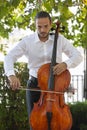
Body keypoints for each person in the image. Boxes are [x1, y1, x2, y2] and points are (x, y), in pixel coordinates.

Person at [4, 11, 83, 130]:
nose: (42, 30)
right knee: (36, 125)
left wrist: (66, 64)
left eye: (45, 26)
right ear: (35, 25)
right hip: (35, 86)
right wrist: (11, 75)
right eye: (39, 26)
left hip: (56, 86)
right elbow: (9, 57)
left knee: (59, 124)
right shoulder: (28, 41)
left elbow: (78, 56)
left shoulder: (60, 39)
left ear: (50, 24)